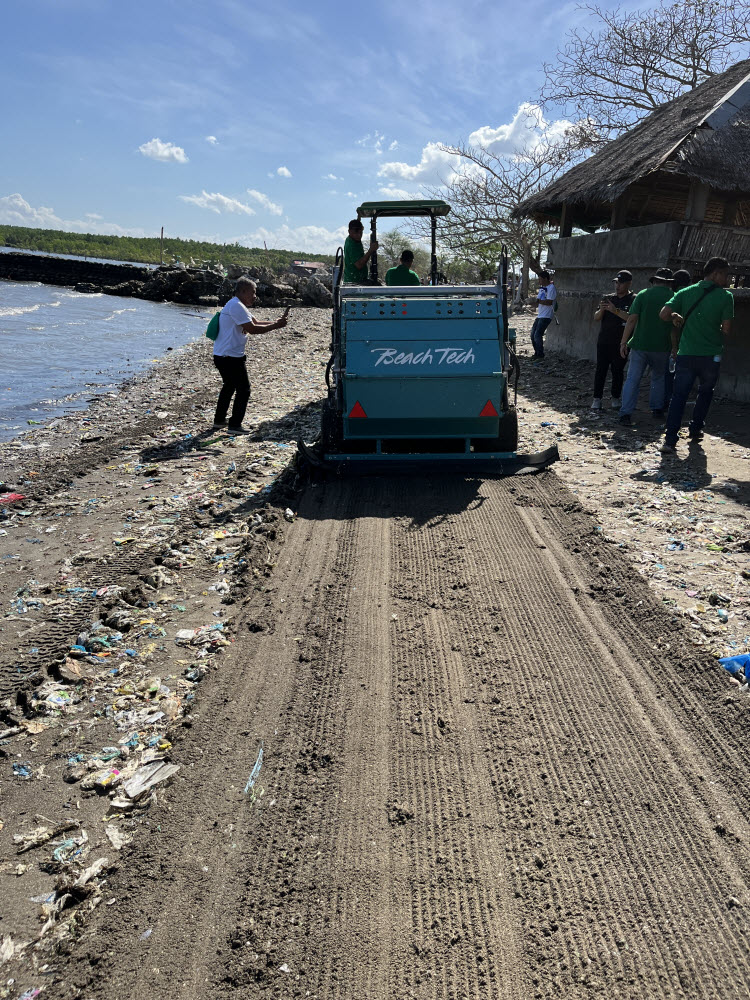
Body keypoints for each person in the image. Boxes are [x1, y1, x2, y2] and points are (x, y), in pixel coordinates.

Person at [658, 257, 734, 454]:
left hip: (686, 354)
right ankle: (696, 428)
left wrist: (675, 315)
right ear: (716, 273)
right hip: (711, 356)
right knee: (705, 393)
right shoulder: (726, 297)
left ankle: (670, 440)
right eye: (725, 275)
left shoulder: (685, 292)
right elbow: (726, 330)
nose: (727, 279)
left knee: (678, 397)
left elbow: (663, 314)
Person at [212, 276, 289, 434]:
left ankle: (219, 420)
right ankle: (235, 425)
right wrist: (276, 325)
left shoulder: (237, 304)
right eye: (253, 292)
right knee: (244, 389)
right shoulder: (236, 306)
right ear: (243, 291)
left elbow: (255, 322)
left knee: (229, 386)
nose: (255, 296)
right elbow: (253, 329)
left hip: (223, 355)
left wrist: (276, 323)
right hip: (230, 357)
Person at [617, 267, 674, 424]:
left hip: (640, 345)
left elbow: (631, 320)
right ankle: (656, 409)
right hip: (662, 347)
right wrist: (675, 348)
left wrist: (623, 342)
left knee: (633, 379)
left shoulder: (643, 294)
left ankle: (625, 414)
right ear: (669, 283)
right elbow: (676, 326)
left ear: (654, 281)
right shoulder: (674, 297)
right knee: (658, 378)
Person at [591, 270, 635, 410]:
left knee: (617, 371)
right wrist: (603, 310)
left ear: (629, 283)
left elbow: (631, 319)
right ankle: (597, 399)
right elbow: (596, 318)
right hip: (604, 341)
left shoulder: (634, 299)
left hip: (621, 342)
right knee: (601, 370)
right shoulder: (608, 298)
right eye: (616, 282)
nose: (618, 286)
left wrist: (615, 310)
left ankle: (615, 398)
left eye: (621, 283)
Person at [662, 269, 692, 410]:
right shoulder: (692, 295)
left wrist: (674, 347)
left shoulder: (675, 296)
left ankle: (667, 402)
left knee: (670, 374)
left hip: (675, 342)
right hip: (691, 344)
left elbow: (674, 328)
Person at [530, 270, 556, 360]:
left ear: (546, 279)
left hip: (547, 315)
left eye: (540, 279)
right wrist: (531, 302)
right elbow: (538, 302)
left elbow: (549, 302)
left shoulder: (551, 288)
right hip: (540, 315)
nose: (539, 281)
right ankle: (537, 352)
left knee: (537, 334)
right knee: (533, 334)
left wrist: (538, 301)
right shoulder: (542, 289)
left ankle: (540, 354)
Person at [343, 219, 378, 283]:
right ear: (349, 231)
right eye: (356, 233)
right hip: (355, 282)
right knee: (379, 289)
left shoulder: (354, 240)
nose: (359, 235)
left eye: (360, 232)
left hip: (357, 279)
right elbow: (359, 265)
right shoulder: (352, 245)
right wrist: (371, 250)